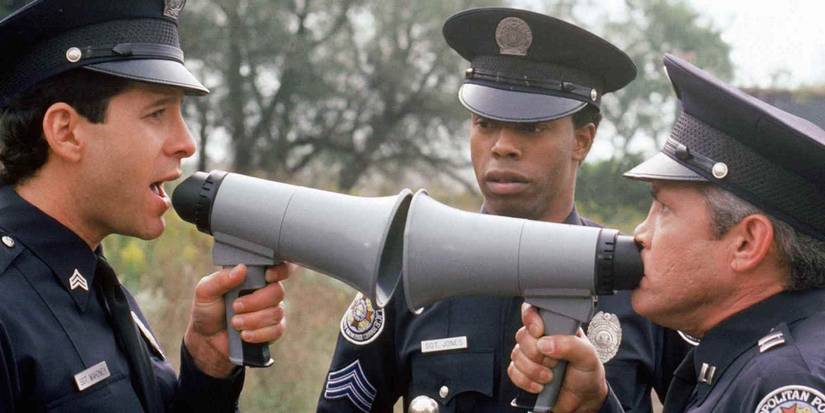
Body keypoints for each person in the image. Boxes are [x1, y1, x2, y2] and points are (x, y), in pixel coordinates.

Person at [317, 7, 690, 413]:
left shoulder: (641, 283)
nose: (502, 146)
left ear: (582, 141)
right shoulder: (406, 275)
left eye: (531, 128)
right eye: (485, 123)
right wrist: (231, 374)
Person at [0, 1, 288, 411]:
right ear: (65, 131)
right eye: (157, 113)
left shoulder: (89, 280)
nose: (186, 143)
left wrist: (207, 363)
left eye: (180, 113)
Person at [508, 53, 825, 412]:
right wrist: (594, 406)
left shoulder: (786, 387)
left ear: (746, 243)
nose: (641, 233)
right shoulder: (753, 361)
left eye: (664, 209)